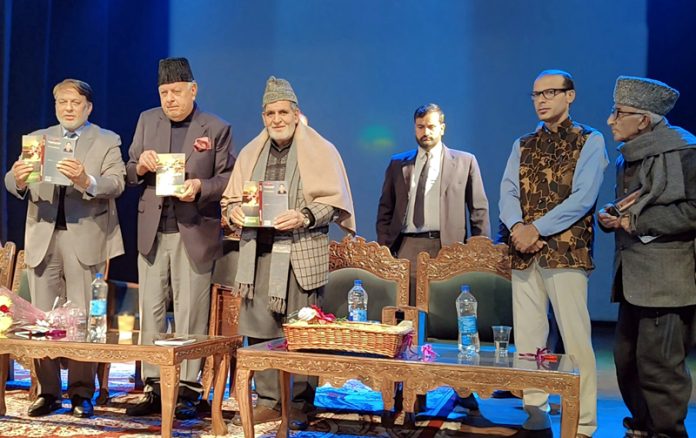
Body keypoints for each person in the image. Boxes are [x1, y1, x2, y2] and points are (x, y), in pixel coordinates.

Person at [221, 76, 355, 430]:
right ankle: (268, 400)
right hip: (258, 253)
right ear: (263, 116)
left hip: (299, 253)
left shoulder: (321, 150)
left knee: (300, 330)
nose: (277, 119)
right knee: (262, 329)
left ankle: (298, 402)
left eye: (283, 112)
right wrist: (233, 212)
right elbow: (231, 200)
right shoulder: (251, 153)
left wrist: (304, 215)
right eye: (270, 113)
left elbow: (333, 204)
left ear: (297, 114)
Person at [4, 78, 125, 418]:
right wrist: (17, 175)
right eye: (62, 103)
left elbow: (117, 182)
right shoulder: (39, 139)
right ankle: (48, 391)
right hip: (43, 235)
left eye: (74, 103)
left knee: (81, 317)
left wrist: (87, 181)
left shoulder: (106, 140)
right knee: (43, 318)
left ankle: (81, 392)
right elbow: (12, 183)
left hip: (83, 237)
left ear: (88, 107)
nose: (68, 109)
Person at [499, 70, 608, 438]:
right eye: (535, 94)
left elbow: (583, 198)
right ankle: (535, 409)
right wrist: (517, 229)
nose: (542, 100)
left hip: (566, 252)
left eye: (550, 92)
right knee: (529, 337)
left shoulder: (590, 140)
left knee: (576, 339)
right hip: (524, 252)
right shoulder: (523, 143)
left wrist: (536, 229)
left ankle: (584, 422)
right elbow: (508, 193)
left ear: (570, 95)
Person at [125, 57, 234, 419]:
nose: (169, 99)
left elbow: (227, 180)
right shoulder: (146, 120)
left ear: (193, 89)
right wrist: (140, 165)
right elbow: (129, 171)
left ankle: (187, 388)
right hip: (153, 230)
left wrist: (200, 187)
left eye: (175, 91)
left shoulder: (215, 127)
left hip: (194, 230)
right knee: (151, 311)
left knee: (190, 313)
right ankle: (153, 386)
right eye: (163, 92)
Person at [598, 76, 696, 438]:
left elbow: (692, 211)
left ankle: (668, 432)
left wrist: (633, 221)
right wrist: (613, 217)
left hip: (667, 279)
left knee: (660, 368)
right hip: (633, 276)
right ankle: (642, 426)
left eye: (619, 113)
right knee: (627, 363)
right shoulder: (631, 157)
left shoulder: (684, 153)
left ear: (644, 119)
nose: (610, 120)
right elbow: (632, 208)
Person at [376, 103, 491, 306]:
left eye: (431, 126)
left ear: (442, 128)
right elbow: (385, 208)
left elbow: (478, 210)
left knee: (443, 306)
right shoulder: (398, 163)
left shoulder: (465, 161)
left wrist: (479, 253)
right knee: (407, 307)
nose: (425, 132)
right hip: (407, 246)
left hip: (447, 245)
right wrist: (385, 247)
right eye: (420, 127)